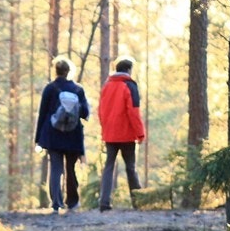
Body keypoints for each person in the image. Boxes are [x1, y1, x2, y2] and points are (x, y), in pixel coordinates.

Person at [35, 57, 88, 214]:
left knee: (56, 168)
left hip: (53, 134)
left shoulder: (50, 89)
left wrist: (38, 139)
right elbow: (85, 113)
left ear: (55, 70)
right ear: (69, 71)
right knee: (70, 168)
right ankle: (72, 201)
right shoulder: (78, 89)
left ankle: (56, 203)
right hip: (73, 134)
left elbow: (43, 114)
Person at [97, 57, 146, 211]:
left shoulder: (107, 86)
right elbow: (133, 112)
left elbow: (101, 111)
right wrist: (140, 133)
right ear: (129, 69)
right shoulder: (130, 85)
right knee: (130, 167)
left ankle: (104, 202)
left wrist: (104, 129)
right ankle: (137, 202)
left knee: (109, 167)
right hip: (126, 134)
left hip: (110, 134)